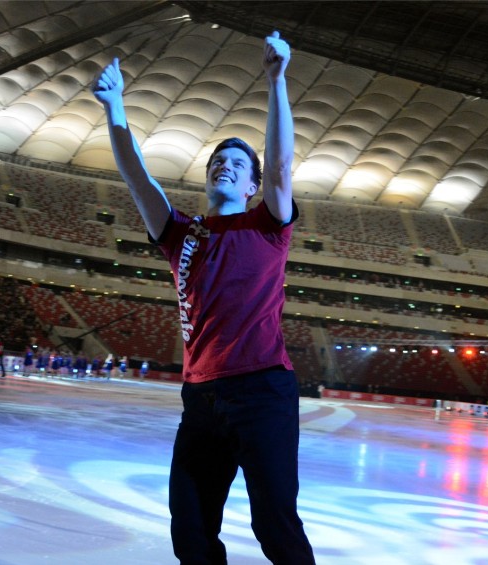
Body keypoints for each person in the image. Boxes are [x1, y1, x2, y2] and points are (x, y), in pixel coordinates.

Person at [94, 30, 315, 564]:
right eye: (219, 159)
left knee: (275, 527)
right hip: (200, 402)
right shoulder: (181, 235)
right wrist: (116, 107)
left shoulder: (267, 224)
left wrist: (276, 80)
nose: (226, 164)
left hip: (262, 393)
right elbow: (138, 178)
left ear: (250, 187)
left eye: (239, 164)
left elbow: (281, 167)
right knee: (190, 533)